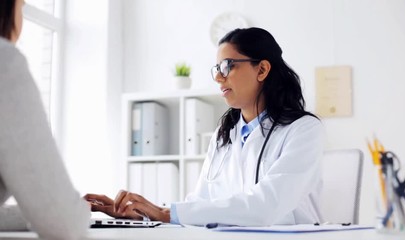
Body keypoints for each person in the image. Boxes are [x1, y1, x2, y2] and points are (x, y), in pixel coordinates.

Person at [85, 27, 324, 226]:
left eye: (227, 66)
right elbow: (199, 203)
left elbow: (267, 205)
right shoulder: (225, 134)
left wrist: (166, 213)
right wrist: (141, 214)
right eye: (217, 69)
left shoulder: (304, 129)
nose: (219, 77)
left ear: (261, 69)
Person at [0, 0, 90, 239]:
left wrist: (34, 210)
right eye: (22, 6)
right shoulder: (5, 64)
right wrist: (77, 210)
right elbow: (65, 226)